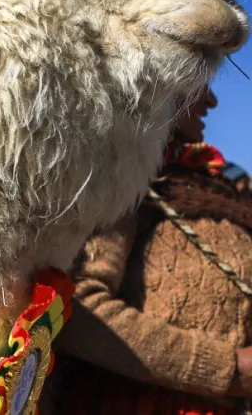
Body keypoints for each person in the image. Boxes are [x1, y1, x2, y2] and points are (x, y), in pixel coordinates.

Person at [47, 87, 252, 414]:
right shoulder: (127, 181)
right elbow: (77, 309)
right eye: (200, 85)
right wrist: (229, 369)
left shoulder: (223, 188)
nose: (213, 101)